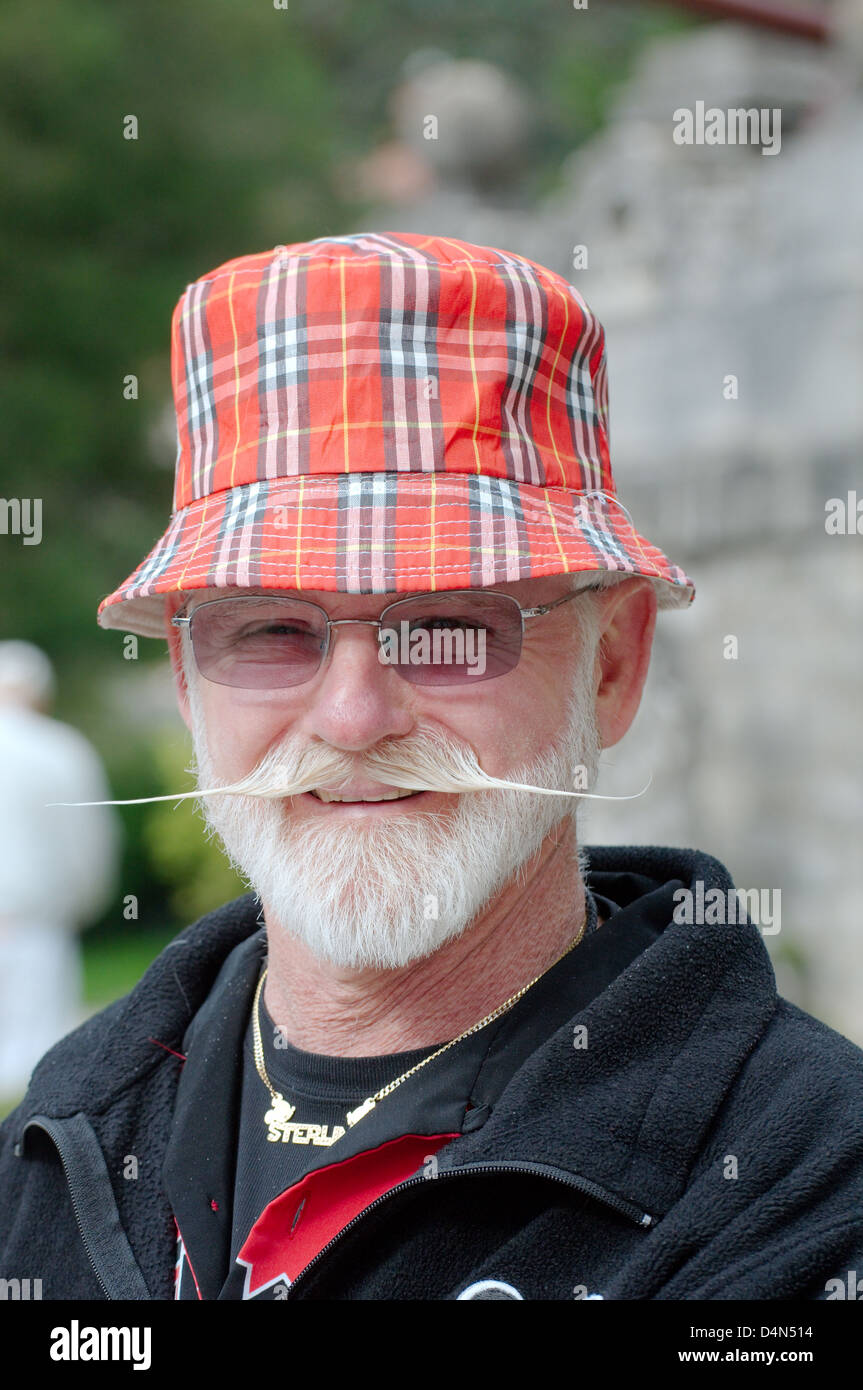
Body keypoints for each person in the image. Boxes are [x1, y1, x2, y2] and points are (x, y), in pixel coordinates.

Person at [1, 231, 861, 1302]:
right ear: (186, 679)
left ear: (612, 664)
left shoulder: (810, 1183)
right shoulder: (61, 1129)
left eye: (451, 625)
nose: (354, 716)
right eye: (269, 629)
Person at [0, 641, 119, 1101]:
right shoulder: (61, 749)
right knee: (33, 1063)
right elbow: (88, 841)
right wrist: (85, 901)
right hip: (37, 925)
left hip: (34, 920)